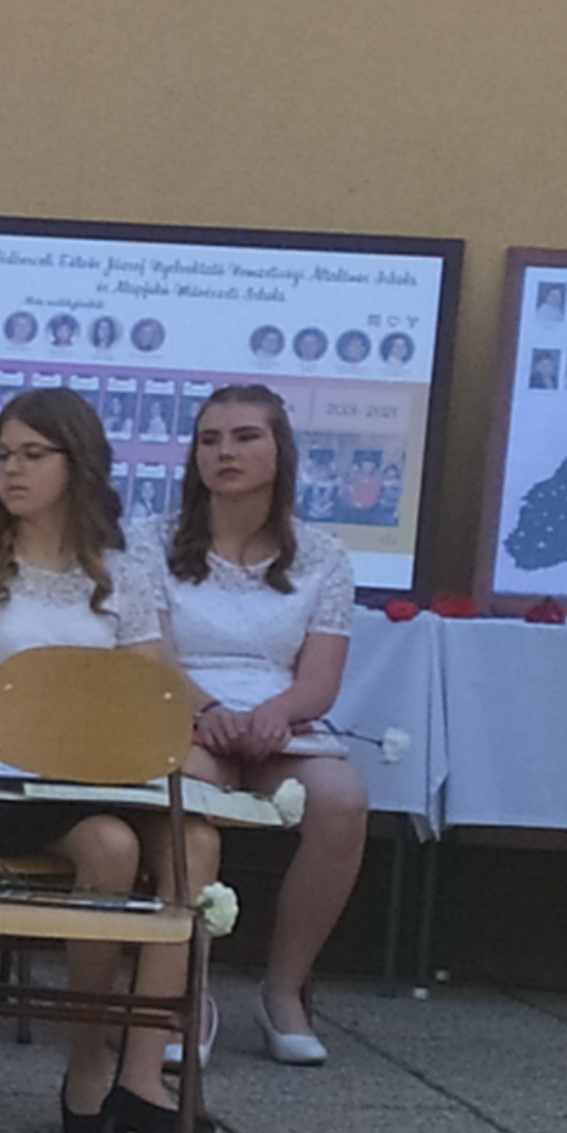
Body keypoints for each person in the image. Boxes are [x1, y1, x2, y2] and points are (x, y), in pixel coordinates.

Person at [0, 387, 213, 1133]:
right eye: (1, 456)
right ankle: (86, 1066)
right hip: (7, 777)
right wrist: (13, 741)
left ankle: (142, 1075)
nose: (12, 470)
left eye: (33, 454)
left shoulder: (122, 573)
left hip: (106, 767)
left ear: (79, 464)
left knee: (196, 841)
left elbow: (155, 698)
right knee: (111, 847)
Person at [160, 383, 365, 1066]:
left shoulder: (323, 555)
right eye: (209, 439)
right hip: (184, 712)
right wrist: (206, 711)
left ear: (281, 452)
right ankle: (185, 989)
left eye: (245, 437)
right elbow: (148, 655)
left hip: (279, 722)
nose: (225, 452)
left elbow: (320, 680)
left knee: (342, 802)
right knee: (185, 792)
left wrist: (274, 715)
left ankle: (283, 990)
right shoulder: (149, 542)